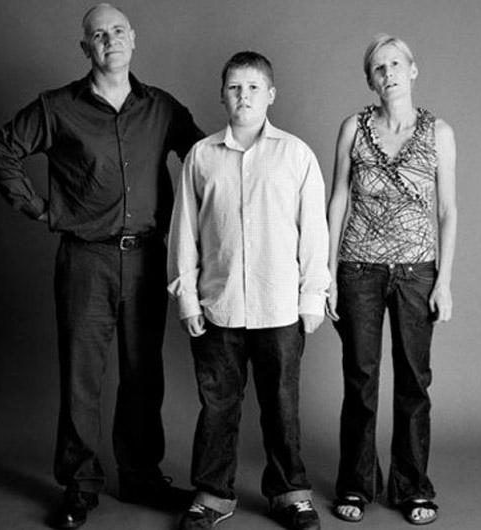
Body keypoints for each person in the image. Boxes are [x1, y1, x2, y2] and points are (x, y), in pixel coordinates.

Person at [0, 4, 205, 528]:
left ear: (134, 38)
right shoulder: (57, 107)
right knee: (82, 376)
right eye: (99, 34)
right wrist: (41, 208)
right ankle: (79, 486)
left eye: (118, 30)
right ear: (86, 48)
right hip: (86, 259)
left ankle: (141, 476)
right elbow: (0, 152)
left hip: (149, 259)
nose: (110, 39)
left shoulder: (162, 107)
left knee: (143, 373)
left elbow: (204, 159)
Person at [167, 51, 330, 530]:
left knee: (282, 405)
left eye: (254, 87)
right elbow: (184, 232)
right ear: (222, 95)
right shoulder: (201, 156)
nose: (244, 96)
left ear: (271, 94)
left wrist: (312, 298)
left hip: (279, 306)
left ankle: (290, 494)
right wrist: (187, 299)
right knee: (218, 405)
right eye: (235, 87)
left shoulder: (296, 155)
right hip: (218, 306)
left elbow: (314, 232)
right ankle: (212, 495)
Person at [325, 33, 457, 526]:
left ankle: (412, 486)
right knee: (360, 379)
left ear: (412, 70)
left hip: (417, 272)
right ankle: (356, 484)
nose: (389, 74)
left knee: (413, 381)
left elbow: (447, 210)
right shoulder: (353, 128)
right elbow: (338, 199)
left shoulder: (439, 132)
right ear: (370, 80)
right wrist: (327, 274)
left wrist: (444, 281)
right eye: (379, 68)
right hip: (358, 269)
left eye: (396, 64)